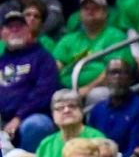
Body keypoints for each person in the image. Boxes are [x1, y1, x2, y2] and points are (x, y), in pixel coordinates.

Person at [0, 10, 61, 152]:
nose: (15, 30)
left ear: (28, 31)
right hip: (3, 119)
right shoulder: (1, 62)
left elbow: (44, 92)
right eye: (10, 27)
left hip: (32, 117)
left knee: (37, 125)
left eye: (19, 26)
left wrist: (18, 117)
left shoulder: (42, 57)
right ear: (2, 34)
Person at [87, 59, 139, 157]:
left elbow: (135, 149)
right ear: (106, 79)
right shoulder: (97, 109)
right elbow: (91, 145)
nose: (117, 77)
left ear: (131, 78)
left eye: (123, 73)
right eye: (113, 73)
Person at [36, 90, 106, 157]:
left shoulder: (96, 138)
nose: (66, 110)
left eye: (72, 106)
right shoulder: (46, 144)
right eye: (60, 108)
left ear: (81, 112)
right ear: (53, 116)